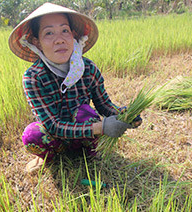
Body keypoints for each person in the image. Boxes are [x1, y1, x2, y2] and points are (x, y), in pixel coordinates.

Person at [8, 2, 141, 173]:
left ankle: (88, 151)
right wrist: (100, 127)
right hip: (56, 136)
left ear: (74, 35)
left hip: (84, 130)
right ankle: (50, 157)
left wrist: (125, 114)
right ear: (37, 42)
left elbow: (104, 105)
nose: (60, 39)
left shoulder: (88, 69)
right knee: (32, 136)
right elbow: (52, 125)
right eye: (49, 33)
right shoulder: (33, 78)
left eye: (65, 30)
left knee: (87, 112)